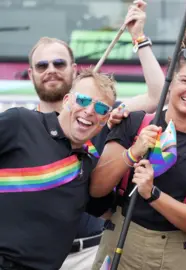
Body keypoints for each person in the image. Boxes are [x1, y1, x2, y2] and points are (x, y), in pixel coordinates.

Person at [26, 1, 165, 268]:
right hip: (31, 256)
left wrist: (138, 38)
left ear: (74, 69)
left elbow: (158, 95)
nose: (51, 70)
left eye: (59, 63)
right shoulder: (21, 126)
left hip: (88, 253)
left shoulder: (101, 115)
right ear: (32, 74)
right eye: (42, 65)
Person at [90, 28, 186, 270]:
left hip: (178, 253)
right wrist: (132, 152)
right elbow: (97, 187)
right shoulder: (133, 123)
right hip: (121, 241)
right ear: (170, 80)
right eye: (185, 81)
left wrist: (152, 194)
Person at [0, 68, 116, 270]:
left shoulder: (90, 167)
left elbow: (114, 211)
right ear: (66, 100)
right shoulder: (21, 123)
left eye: (101, 108)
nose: (89, 111)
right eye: (83, 100)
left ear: (105, 120)